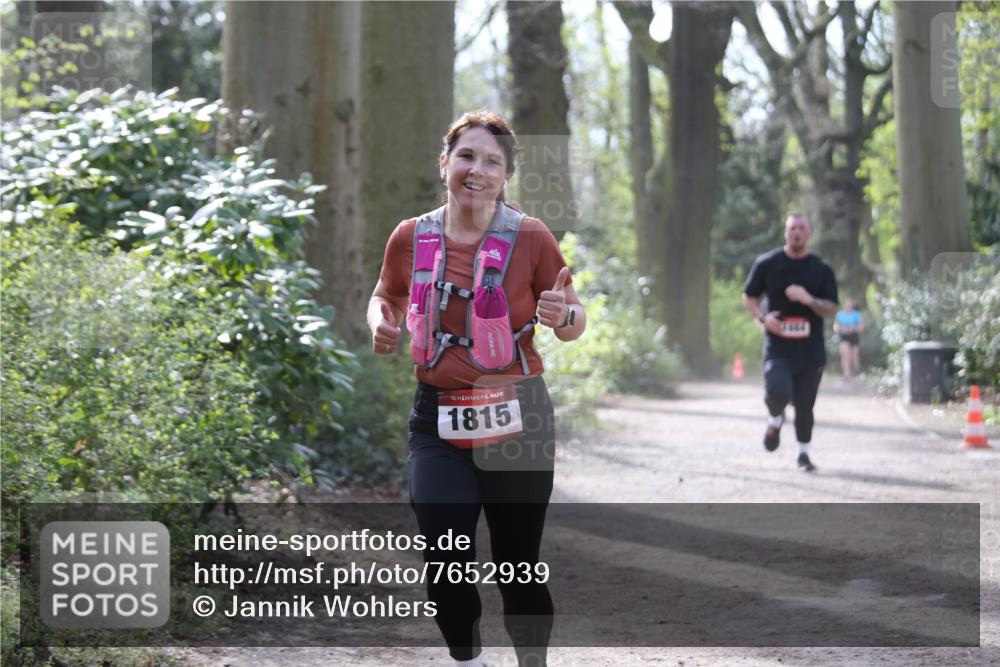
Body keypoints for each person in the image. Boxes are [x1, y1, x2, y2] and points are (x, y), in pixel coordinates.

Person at [367, 110, 586, 667]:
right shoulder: (410, 236)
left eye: (492, 162)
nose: (477, 170)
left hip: (518, 417)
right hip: (437, 420)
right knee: (444, 555)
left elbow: (574, 320)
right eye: (466, 156)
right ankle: (468, 659)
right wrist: (381, 322)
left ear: (506, 176)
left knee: (517, 565)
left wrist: (563, 315)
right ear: (444, 163)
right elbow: (384, 296)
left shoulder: (532, 237)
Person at [742, 213, 838, 472]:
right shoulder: (768, 263)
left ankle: (803, 454)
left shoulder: (821, 268)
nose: (796, 232)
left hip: (810, 351)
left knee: (805, 406)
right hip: (778, 347)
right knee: (777, 392)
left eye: (801, 228)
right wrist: (763, 317)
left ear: (809, 234)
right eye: (792, 227)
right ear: (785, 232)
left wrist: (809, 299)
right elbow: (749, 296)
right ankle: (775, 420)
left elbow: (832, 308)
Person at [834, 299, 864, 379]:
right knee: (845, 353)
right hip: (844, 336)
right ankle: (846, 373)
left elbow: (861, 327)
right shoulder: (839, 314)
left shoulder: (856, 314)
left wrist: (853, 328)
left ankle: (855, 367)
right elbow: (836, 326)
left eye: (850, 305)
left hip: (853, 336)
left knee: (854, 354)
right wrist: (840, 329)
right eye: (847, 305)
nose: (848, 307)